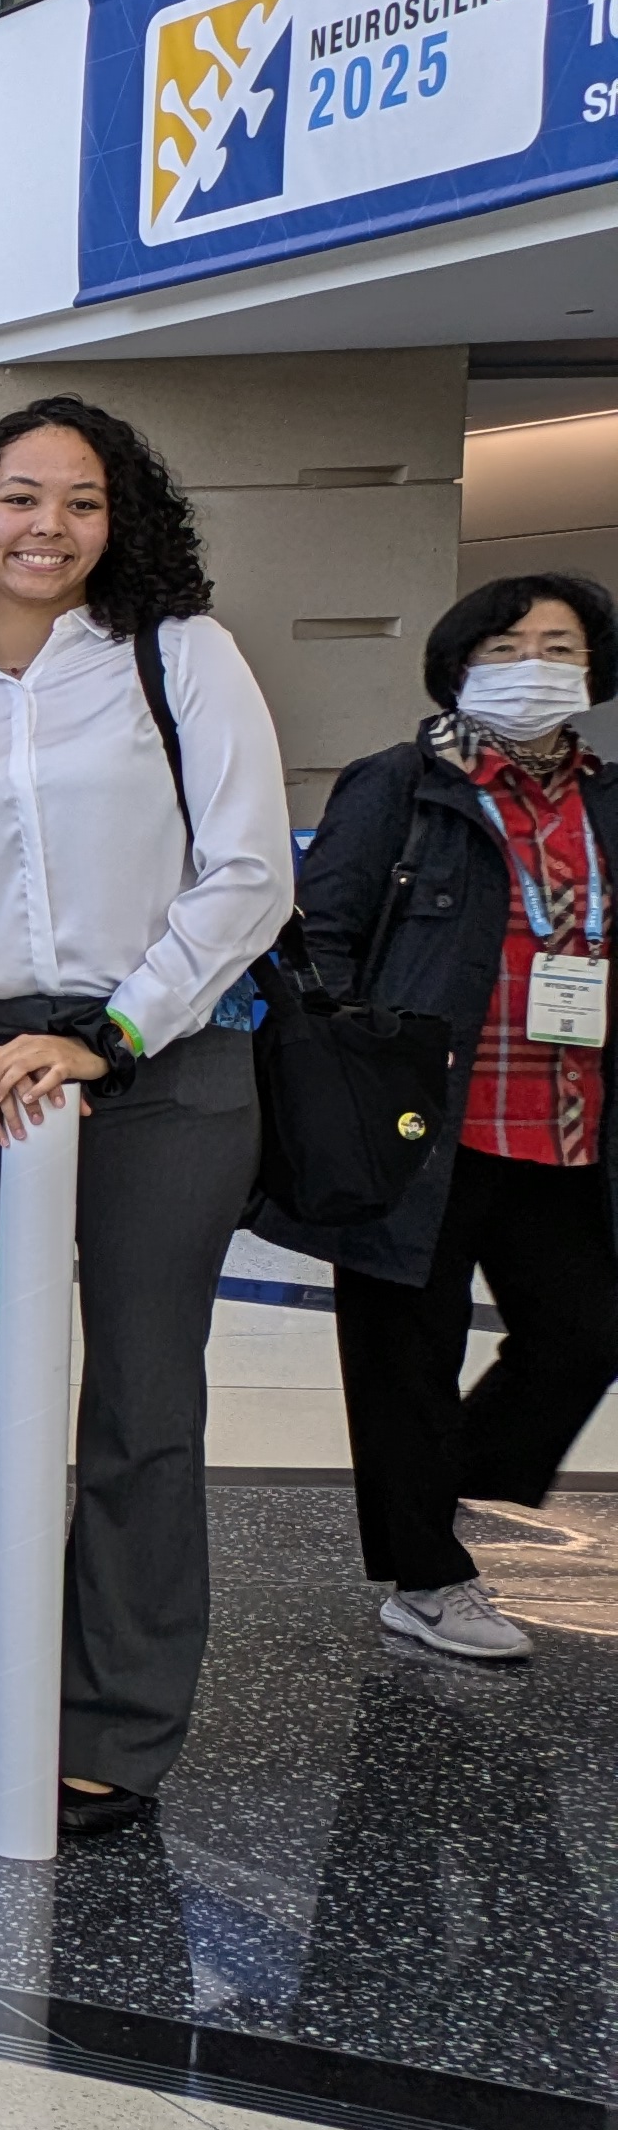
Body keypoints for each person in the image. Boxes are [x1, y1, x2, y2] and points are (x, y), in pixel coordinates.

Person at [0, 397, 291, 1840]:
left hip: (161, 1068)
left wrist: (107, 1035)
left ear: (124, 520)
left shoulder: (182, 661)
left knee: (141, 1402)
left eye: (83, 501)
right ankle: (19, 1694)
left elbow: (246, 877)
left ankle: (118, 1723)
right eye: (20, 497)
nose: (49, 526)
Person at [261, 574, 618, 1664]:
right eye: (509, 643)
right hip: (420, 1120)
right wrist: (353, 1063)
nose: (536, 662)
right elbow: (316, 935)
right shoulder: (400, 785)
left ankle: (435, 1482)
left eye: (559, 645)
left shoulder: (603, 800)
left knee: (586, 1330)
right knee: (400, 1356)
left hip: (565, 1119)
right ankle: (425, 1576)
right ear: (459, 663)